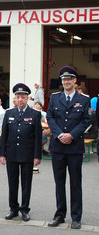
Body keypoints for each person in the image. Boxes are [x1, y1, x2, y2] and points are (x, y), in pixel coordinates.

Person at [47, 66, 91, 230]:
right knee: (59, 183)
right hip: (58, 147)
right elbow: (50, 117)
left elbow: (86, 121)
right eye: (64, 79)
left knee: (75, 183)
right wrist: (59, 135)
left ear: (75, 81)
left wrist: (71, 135)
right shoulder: (54, 98)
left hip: (74, 148)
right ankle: (59, 215)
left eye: (69, 79)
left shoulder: (84, 99)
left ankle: (76, 217)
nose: (66, 82)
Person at [0, 83, 42, 222]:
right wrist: (2, 153)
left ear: (27, 98)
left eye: (23, 97)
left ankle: (24, 209)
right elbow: (4, 135)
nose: (20, 100)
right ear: (14, 99)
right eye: (17, 97)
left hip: (27, 154)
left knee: (26, 183)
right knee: (12, 182)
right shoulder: (9, 113)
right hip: (11, 153)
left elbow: (37, 137)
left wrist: (37, 155)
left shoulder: (35, 114)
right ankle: (13, 208)